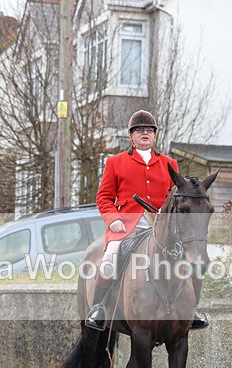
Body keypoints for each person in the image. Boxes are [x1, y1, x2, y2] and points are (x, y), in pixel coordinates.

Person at [86, 110, 208, 331]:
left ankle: (193, 310)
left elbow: (175, 198)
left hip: (161, 228)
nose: (145, 134)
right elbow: (103, 197)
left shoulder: (169, 163)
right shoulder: (115, 162)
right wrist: (113, 219)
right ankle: (99, 308)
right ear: (131, 137)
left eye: (149, 130)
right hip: (125, 227)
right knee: (108, 261)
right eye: (139, 130)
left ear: (155, 136)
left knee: (193, 263)